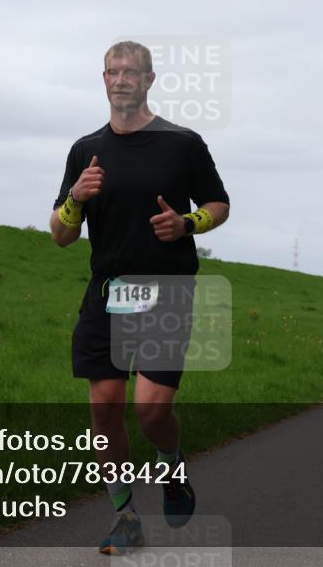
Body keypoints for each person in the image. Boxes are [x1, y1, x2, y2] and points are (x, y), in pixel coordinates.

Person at [50, 41, 230, 554]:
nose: (121, 79)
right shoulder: (85, 150)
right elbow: (61, 235)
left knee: (151, 411)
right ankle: (125, 516)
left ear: (150, 80)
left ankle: (172, 467)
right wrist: (74, 199)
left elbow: (219, 203)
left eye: (131, 72)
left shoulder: (182, 143)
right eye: (113, 71)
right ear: (103, 79)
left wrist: (187, 223)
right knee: (105, 408)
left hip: (167, 292)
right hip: (107, 293)